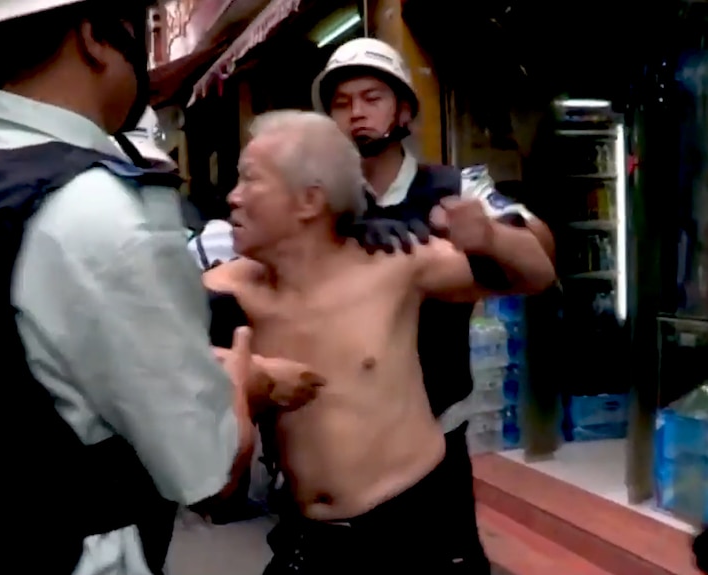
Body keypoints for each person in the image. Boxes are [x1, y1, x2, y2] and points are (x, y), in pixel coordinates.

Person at [0, 2, 319, 575]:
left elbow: (10, 367)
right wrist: (246, 380)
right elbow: (209, 472)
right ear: (94, 37)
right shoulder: (100, 210)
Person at [205, 109, 554, 573]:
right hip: (307, 540)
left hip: (413, 531)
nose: (233, 198)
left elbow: (535, 275)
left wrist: (489, 236)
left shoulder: (394, 264)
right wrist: (247, 372)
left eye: (250, 181)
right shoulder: (229, 288)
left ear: (309, 200)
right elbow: (148, 358)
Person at [311, 37, 558, 572]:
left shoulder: (457, 186)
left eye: (372, 97)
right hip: (338, 449)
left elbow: (538, 254)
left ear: (402, 109)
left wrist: (489, 236)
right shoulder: (317, 201)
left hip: (434, 446)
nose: (356, 113)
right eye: (341, 102)